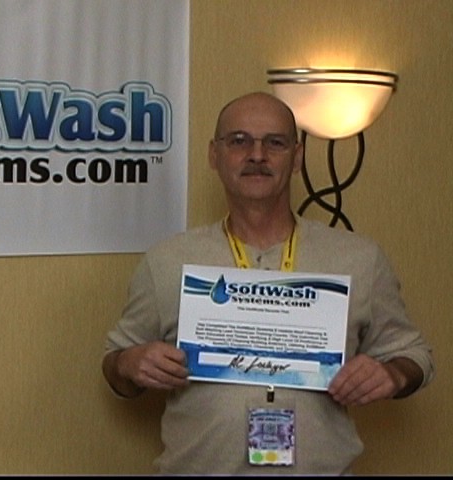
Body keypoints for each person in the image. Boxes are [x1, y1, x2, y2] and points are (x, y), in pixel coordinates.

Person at [102, 91, 435, 475]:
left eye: (274, 143)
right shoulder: (168, 260)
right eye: (238, 141)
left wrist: (394, 374)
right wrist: (129, 363)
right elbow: (115, 365)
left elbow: (416, 356)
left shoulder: (359, 258)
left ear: (297, 157)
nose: (256, 155)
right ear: (214, 155)